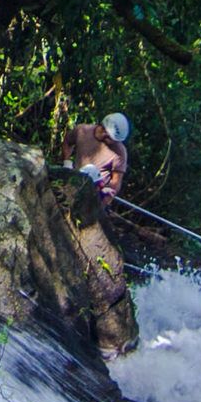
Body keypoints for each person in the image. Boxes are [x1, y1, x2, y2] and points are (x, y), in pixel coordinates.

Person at [52, 112, 138, 358]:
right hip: (73, 180)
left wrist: (106, 195)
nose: (109, 142)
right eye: (107, 136)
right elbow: (67, 143)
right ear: (101, 126)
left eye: (113, 140)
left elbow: (116, 182)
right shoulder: (82, 131)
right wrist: (67, 165)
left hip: (95, 192)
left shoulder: (119, 152)